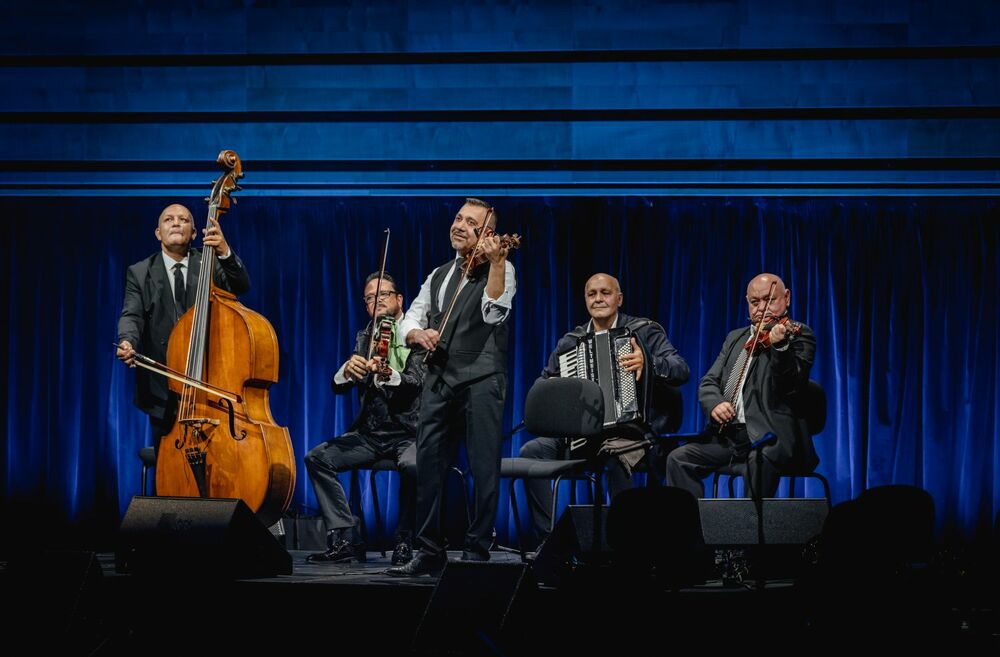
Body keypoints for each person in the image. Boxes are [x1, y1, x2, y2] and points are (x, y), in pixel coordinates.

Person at [387, 198, 516, 577]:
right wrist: (415, 332)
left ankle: (477, 549)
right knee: (428, 463)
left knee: (482, 465)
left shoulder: (502, 268)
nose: (459, 225)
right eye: (458, 218)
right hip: (440, 377)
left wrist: (494, 263)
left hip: (482, 377)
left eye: (469, 222)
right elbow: (411, 314)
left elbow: (495, 310)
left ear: (487, 233)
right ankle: (429, 550)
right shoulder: (440, 274)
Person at [519, 273, 689, 545]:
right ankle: (547, 542)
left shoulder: (644, 331)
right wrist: (555, 385)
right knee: (531, 452)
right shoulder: (570, 341)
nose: (598, 298)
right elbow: (545, 380)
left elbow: (681, 369)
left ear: (619, 298)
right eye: (592, 294)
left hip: (632, 435)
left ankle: (624, 546)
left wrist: (648, 362)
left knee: (614, 458)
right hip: (580, 437)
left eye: (605, 292)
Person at [304, 273, 422, 565]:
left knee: (412, 465)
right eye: (370, 297)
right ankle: (345, 537)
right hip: (370, 435)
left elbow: (417, 380)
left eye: (384, 293)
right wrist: (347, 370)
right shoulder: (366, 336)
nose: (377, 300)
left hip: (410, 433)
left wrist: (390, 375)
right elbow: (339, 386)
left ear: (399, 299)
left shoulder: (415, 334)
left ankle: (404, 540)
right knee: (316, 458)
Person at [665, 273, 817, 499]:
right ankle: (693, 529)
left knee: (758, 461)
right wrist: (715, 403)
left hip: (771, 439)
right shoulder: (735, 338)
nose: (762, 308)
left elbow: (790, 386)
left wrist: (781, 348)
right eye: (755, 302)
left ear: (787, 298)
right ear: (747, 302)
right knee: (678, 458)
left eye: (769, 300)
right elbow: (708, 382)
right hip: (731, 439)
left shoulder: (798, 334)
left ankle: (749, 531)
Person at [116, 203, 250, 443]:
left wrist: (225, 251)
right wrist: (127, 340)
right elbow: (132, 315)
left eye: (183, 219)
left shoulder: (210, 262)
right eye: (168, 219)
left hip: (210, 381)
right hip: (162, 388)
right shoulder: (139, 272)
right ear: (158, 233)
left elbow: (241, 286)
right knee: (168, 469)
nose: (176, 223)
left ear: (195, 233)